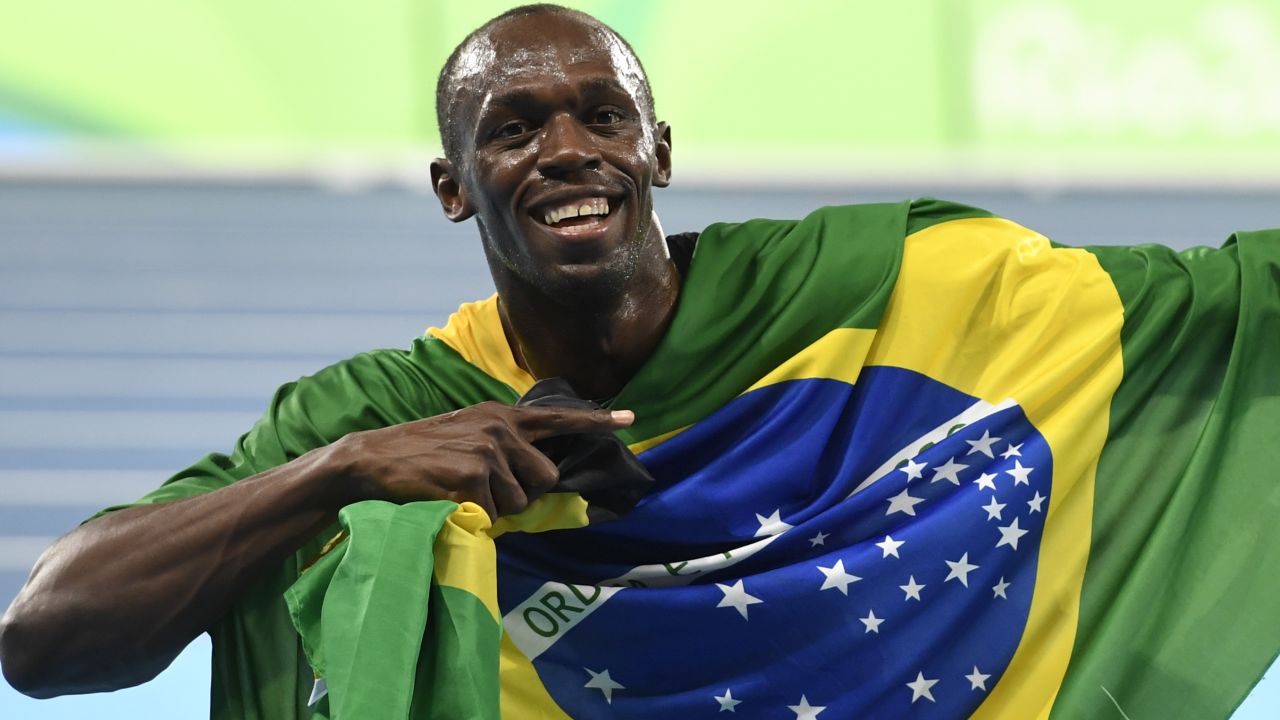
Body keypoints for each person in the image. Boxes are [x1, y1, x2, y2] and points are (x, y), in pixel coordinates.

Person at [2, 4, 1278, 719]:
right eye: (513, 129)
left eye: (600, 117)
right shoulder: (397, 412)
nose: (565, 149)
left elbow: (1238, 298)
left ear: (655, 153)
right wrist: (341, 474)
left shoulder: (872, 289)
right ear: (454, 188)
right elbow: (48, 640)